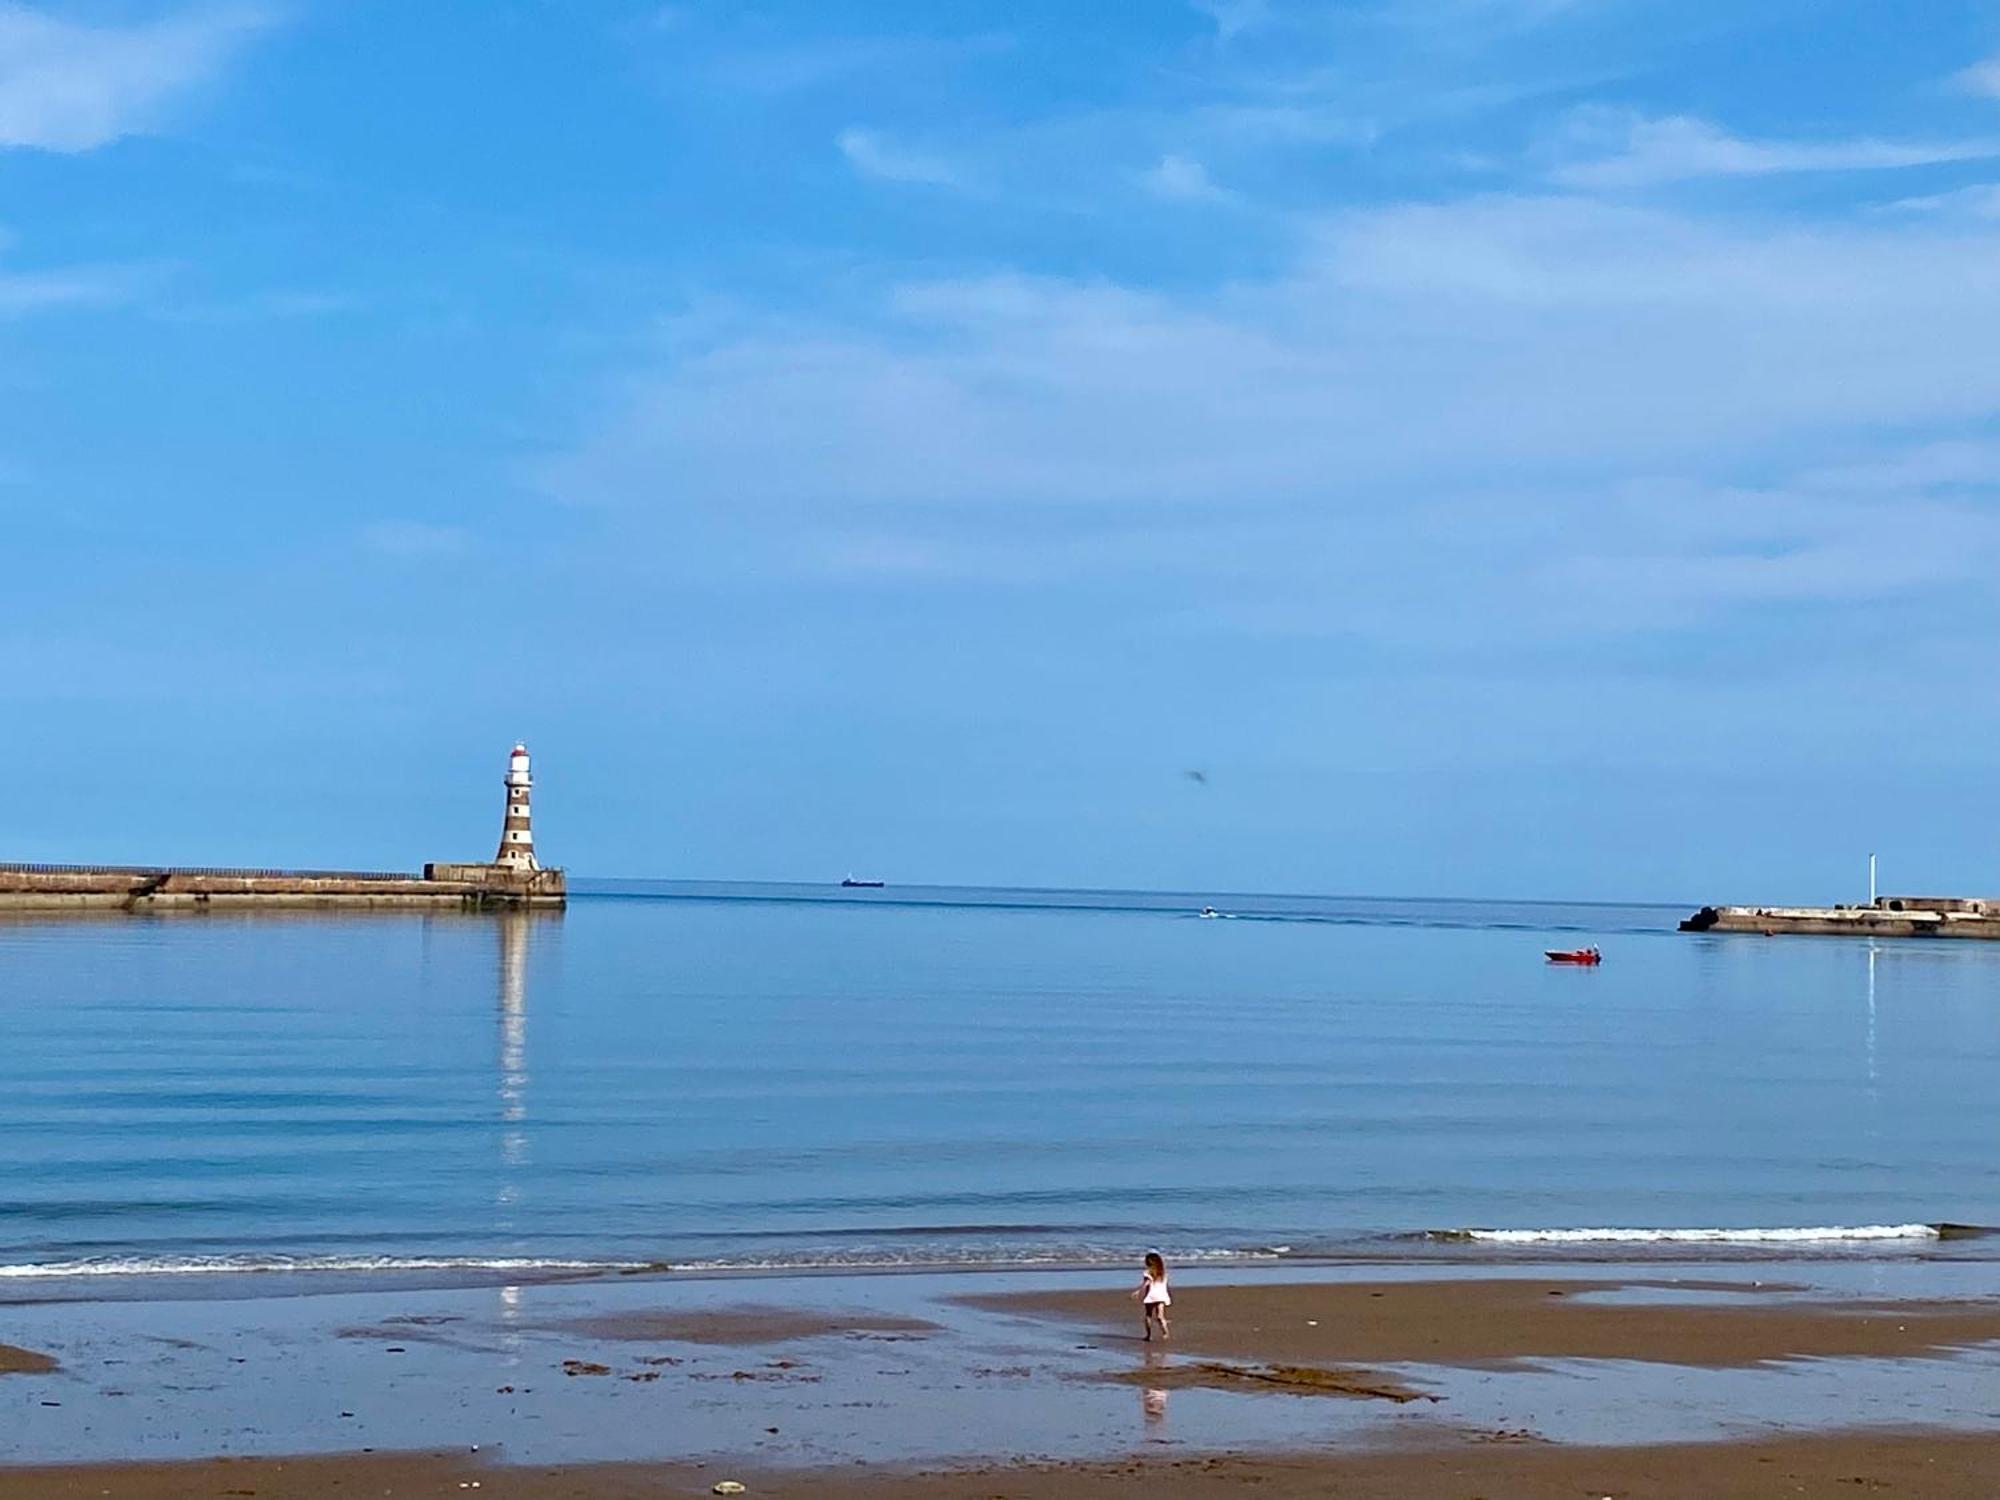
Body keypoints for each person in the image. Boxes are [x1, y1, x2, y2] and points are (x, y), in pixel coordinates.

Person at [1131, 1251, 1171, 1341]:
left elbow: (1146, 1283)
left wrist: (1138, 1291)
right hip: (1161, 1295)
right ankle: (1165, 1332)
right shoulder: (1163, 1273)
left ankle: (1149, 1335)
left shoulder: (1148, 1273)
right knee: (1160, 1316)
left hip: (1151, 1295)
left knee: (1148, 1315)